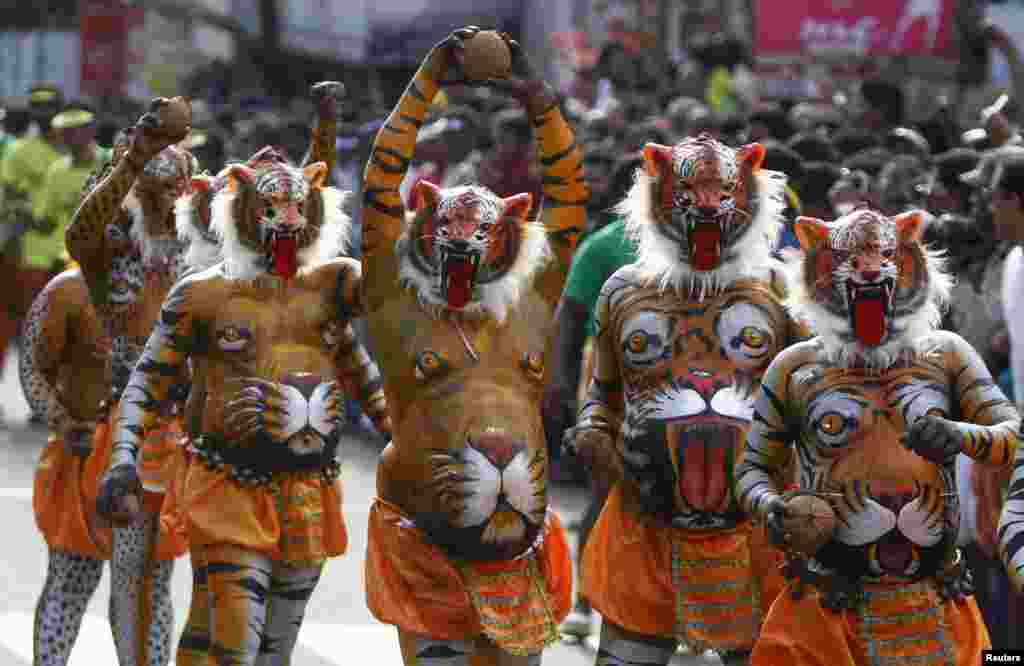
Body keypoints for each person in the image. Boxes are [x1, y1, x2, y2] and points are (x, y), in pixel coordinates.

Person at [96, 104, 389, 666]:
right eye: (271, 206)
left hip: (308, 486)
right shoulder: (202, 292)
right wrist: (124, 457)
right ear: (240, 209)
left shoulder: (333, 285)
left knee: (268, 648)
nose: (285, 219)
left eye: (296, 206)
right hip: (226, 485)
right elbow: (147, 381)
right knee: (238, 639)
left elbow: (362, 363)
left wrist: (403, 443)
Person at [360, 27, 586, 664]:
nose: (463, 237)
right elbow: (380, 186)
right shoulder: (395, 304)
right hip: (427, 548)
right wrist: (425, 79)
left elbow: (569, 198)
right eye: (449, 223)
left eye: (481, 227)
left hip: (518, 550)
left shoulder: (531, 300)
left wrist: (541, 101)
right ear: (423, 228)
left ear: (511, 232)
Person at [737, 207, 1013, 665]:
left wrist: (960, 434)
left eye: (884, 256)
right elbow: (751, 469)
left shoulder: (947, 354)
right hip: (827, 604)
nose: (868, 269)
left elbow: (1012, 434)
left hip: (935, 597)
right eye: (850, 260)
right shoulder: (794, 366)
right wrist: (773, 507)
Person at [566, 134, 803, 666]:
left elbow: (809, 407)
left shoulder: (779, 288)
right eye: (690, 190)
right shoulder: (622, 288)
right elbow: (601, 394)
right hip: (646, 528)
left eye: (723, 191)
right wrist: (591, 432)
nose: (708, 204)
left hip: (756, 538)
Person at [65, 99, 200, 666]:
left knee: (165, 575)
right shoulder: (113, 252)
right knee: (132, 571)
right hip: (130, 423)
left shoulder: (202, 249)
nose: (170, 200)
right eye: (156, 189)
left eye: (178, 190)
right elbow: (79, 233)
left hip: (192, 428)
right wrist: (131, 159)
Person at [20, 264, 112, 666]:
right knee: (71, 580)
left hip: (152, 459)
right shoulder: (69, 290)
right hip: (83, 454)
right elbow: (33, 366)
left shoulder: (177, 286)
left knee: (144, 590)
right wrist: (62, 419)